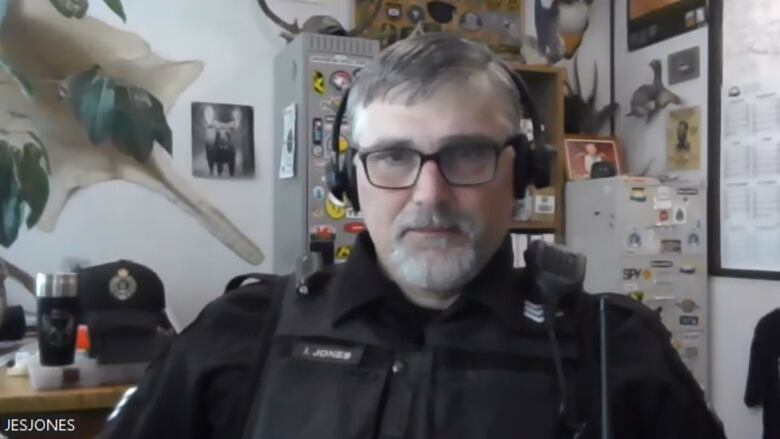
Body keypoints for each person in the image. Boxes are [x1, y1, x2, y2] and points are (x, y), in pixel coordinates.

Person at [97, 34, 726, 439]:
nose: (429, 196)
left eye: (468, 154)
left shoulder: (616, 354)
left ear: (524, 175)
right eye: (394, 157)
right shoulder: (239, 337)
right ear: (349, 179)